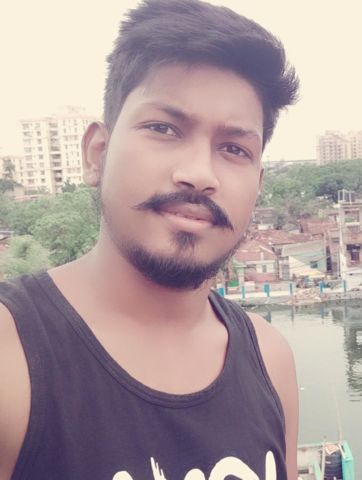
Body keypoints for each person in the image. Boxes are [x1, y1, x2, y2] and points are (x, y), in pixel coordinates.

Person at [0, 1, 299, 479]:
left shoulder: (269, 359)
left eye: (233, 148)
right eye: (164, 129)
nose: (199, 174)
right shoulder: (12, 357)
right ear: (97, 153)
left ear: (258, 184)